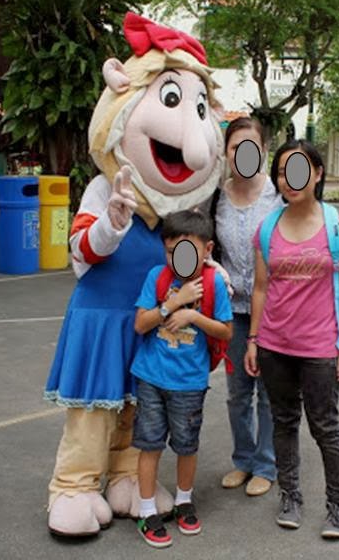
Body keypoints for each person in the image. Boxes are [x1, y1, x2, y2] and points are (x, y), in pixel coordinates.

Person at [211, 117, 339, 499]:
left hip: (278, 313)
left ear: (262, 151)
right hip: (232, 311)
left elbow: (313, 217)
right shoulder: (215, 197)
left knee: (269, 394)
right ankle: (243, 458)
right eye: (235, 148)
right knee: (236, 393)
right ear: (226, 153)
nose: (242, 154)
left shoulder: (278, 195)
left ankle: (267, 464)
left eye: (251, 147)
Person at [245, 139, 339, 540]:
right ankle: (290, 496)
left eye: (297, 170)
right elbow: (261, 288)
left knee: (325, 427)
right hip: (275, 345)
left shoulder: (337, 226)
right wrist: (253, 340)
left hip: (320, 348)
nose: (288, 179)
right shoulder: (267, 228)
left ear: (316, 173)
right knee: (283, 422)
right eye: (281, 172)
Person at [131, 210, 233, 548]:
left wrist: (192, 314)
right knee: (149, 444)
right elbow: (140, 324)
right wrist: (171, 303)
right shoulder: (157, 278)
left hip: (189, 382)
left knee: (187, 445)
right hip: (150, 378)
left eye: (187, 251)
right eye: (171, 251)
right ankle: (147, 510)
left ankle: (183, 501)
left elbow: (226, 331)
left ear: (207, 250)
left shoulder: (215, 283)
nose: (178, 259)